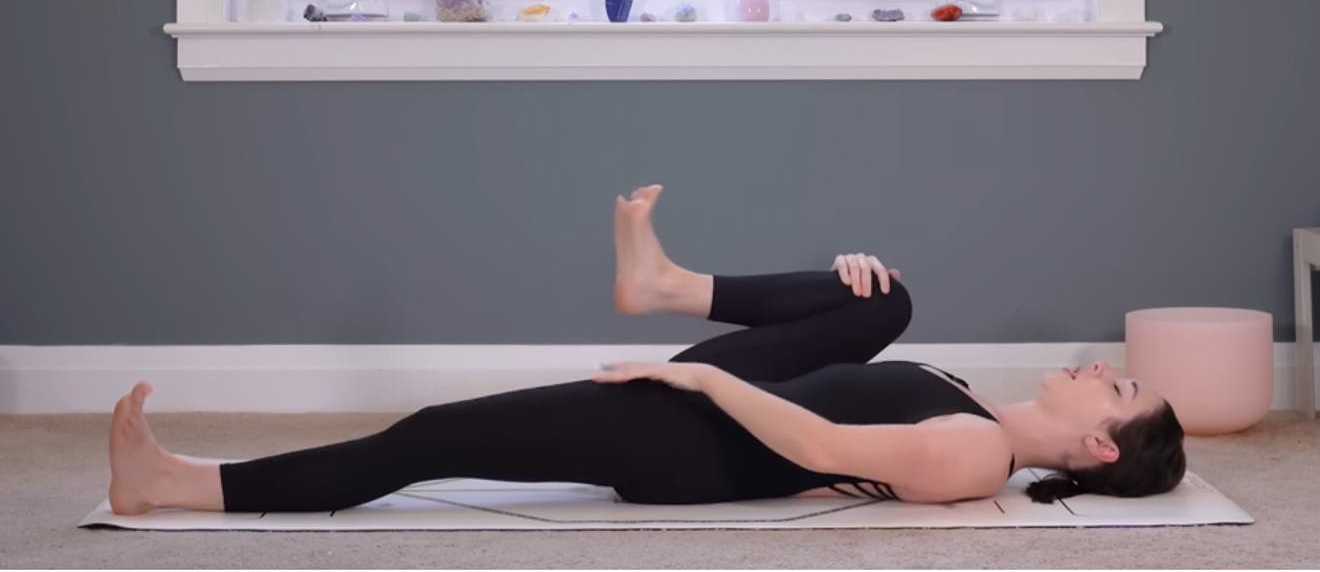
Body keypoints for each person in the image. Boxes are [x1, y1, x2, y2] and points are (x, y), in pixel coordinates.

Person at [106, 185, 1185, 515]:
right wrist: (838, 288)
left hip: (701, 446)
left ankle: (177, 484)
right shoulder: (966, 400)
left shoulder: (977, 458)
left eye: (1119, 386)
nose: (1101, 364)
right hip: (728, 398)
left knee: (434, 438)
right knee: (885, 295)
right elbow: (834, 374)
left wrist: (696, 372)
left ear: (1097, 442)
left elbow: (811, 442)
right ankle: (663, 284)